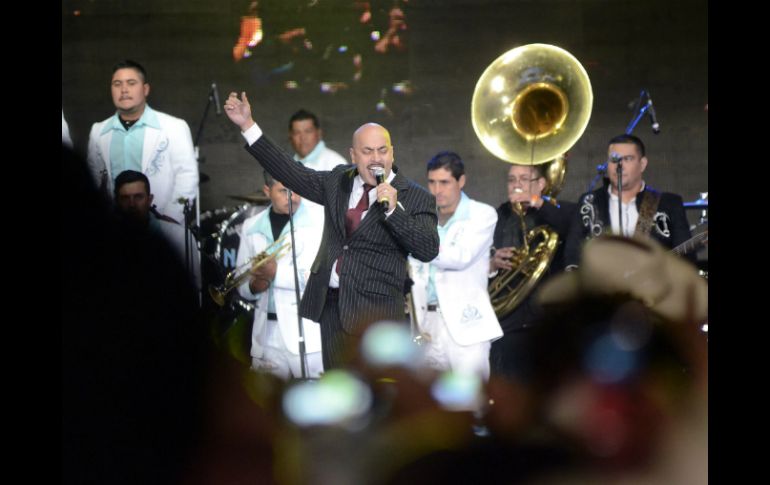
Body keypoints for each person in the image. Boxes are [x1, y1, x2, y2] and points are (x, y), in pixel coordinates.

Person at [224, 91, 439, 370]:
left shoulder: (416, 196)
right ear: (353, 155)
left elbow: (428, 248)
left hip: (377, 317)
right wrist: (248, 126)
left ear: (392, 151)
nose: (376, 158)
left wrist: (393, 211)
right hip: (332, 310)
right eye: (367, 151)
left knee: (376, 391)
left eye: (382, 150)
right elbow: (291, 173)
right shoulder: (339, 180)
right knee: (338, 388)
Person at [87, 59, 199, 258]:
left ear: (145, 89)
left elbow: (187, 176)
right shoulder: (99, 131)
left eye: (131, 83)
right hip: (115, 230)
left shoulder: (173, 127)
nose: (124, 90)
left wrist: (171, 217)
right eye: (117, 84)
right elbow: (93, 180)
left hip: (160, 226)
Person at [408, 151, 502, 380]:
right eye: (432, 182)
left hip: (467, 327)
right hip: (425, 327)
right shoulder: (421, 218)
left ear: (461, 181)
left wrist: (413, 237)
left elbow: (460, 257)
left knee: (471, 397)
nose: (436, 190)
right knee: (428, 399)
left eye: (444, 182)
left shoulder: (482, 214)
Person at [488, 162, 576, 381]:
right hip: (508, 321)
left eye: (524, 179)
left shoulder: (559, 211)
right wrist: (492, 262)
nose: (516, 184)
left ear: (541, 184)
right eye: (511, 180)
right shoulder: (497, 216)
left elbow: (575, 227)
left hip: (546, 322)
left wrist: (538, 202)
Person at [236, 171, 325, 379]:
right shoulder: (251, 226)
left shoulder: (319, 222)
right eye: (284, 191)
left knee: (314, 396)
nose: (292, 197)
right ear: (267, 191)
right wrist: (254, 286)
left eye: (296, 191)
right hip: (266, 334)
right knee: (264, 398)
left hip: (307, 332)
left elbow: (320, 278)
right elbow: (242, 282)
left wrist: (276, 273)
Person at [564, 134, 691, 268]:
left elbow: (687, 260)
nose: (620, 165)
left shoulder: (669, 204)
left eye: (628, 159)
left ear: (642, 164)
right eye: (614, 159)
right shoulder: (589, 201)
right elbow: (572, 254)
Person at [113, 170, 184, 246]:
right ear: (116, 201)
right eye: (125, 198)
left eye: (138, 197)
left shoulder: (178, 237)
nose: (132, 204)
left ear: (149, 200)